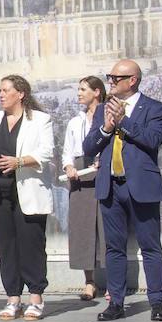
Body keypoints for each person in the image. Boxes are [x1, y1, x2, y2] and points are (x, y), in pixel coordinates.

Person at [85, 59, 162, 322]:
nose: (110, 81)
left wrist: (124, 122)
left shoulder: (155, 108)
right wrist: (106, 128)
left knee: (150, 246)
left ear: (132, 80)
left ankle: (156, 302)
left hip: (141, 186)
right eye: (109, 76)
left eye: (115, 78)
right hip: (111, 186)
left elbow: (152, 139)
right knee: (114, 248)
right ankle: (116, 302)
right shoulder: (102, 110)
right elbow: (89, 147)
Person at [0, 76, 55, 321]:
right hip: (0, 192)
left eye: (5, 90)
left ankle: (36, 297)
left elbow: (46, 152)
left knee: (31, 245)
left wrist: (18, 161)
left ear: (20, 94)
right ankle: (13, 298)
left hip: (28, 191)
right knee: (6, 245)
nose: (1, 94)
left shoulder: (40, 119)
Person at [62, 77, 108, 301]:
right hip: (80, 177)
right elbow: (67, 151)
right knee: (82, 227)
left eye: (83, 89)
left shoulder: (109, 116)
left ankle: (112, 281)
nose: (79, 93)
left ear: (97, 92)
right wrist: (69, 166)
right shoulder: (74, 122)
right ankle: (89, 281)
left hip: (103, 172)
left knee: (106, 226)